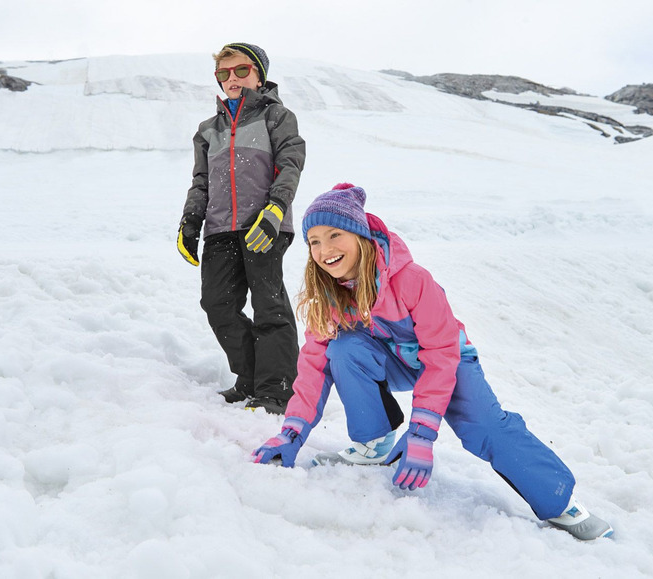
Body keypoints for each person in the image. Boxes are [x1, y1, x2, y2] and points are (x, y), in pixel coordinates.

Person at [252, 183, 614, 541]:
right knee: (343, 350)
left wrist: (422, 433)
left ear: (360, 236)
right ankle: (373, 441)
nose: (324, 249)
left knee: (485, 425)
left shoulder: (412, 280)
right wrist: (292, 433)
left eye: (334, 235)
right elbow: (314, 366)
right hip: (391, 358)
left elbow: (441, 354)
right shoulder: (328, 295)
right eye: (314, 241)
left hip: (448, 360)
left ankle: (558, 500)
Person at [177, 42, 305, 415]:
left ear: (259, 74)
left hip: (264, 224)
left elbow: (290, 165)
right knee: (217, 304)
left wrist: (275, 210)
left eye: (241, 70)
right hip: (220, 229)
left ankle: (276, 388)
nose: (232, 78)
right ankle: (248, 377)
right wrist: (190, 222)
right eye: (224, 73)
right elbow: (201, 181)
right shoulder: (208, 130)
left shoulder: (276, 117)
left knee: (269, 306)